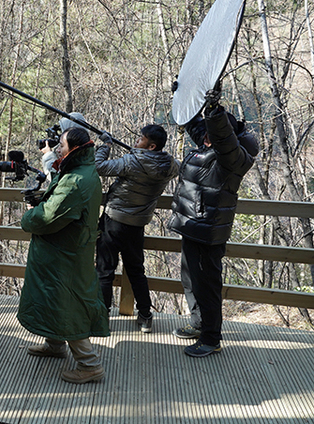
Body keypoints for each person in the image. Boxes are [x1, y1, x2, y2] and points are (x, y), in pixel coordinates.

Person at [169, 84, 258, 357]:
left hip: (208, 230)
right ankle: (199, 324)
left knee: (207, 285)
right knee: (190, 280)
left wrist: (214, 111)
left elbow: (222, 138)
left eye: (211, 133)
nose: (204, 136)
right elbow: (193, 123)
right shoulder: (206, 145)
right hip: (192, 226)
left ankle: (211, 338)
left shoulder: (233, 158)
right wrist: (182, 95)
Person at [17, 127, 110, 384]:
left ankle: (89, 365)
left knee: (68, 304)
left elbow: (47, 218)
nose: (58, 148)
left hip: (64, 254)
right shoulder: (80, 171)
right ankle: (55, 343)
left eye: (62, 144)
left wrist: (28, 216)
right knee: (55, 297)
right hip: (67, 249)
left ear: (75, 149)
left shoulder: (75, 181)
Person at [95, 124, 179, 332]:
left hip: (113, 222)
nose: (135, 141)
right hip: (138, 225)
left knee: (104, 270)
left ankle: (101, 316)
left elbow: (98, 167)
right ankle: (144, 315)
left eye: (140, 139)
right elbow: (176, 164)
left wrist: (105, 145)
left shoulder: (132, 162)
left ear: (151, 146)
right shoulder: (170, 165)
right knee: (136, 270)